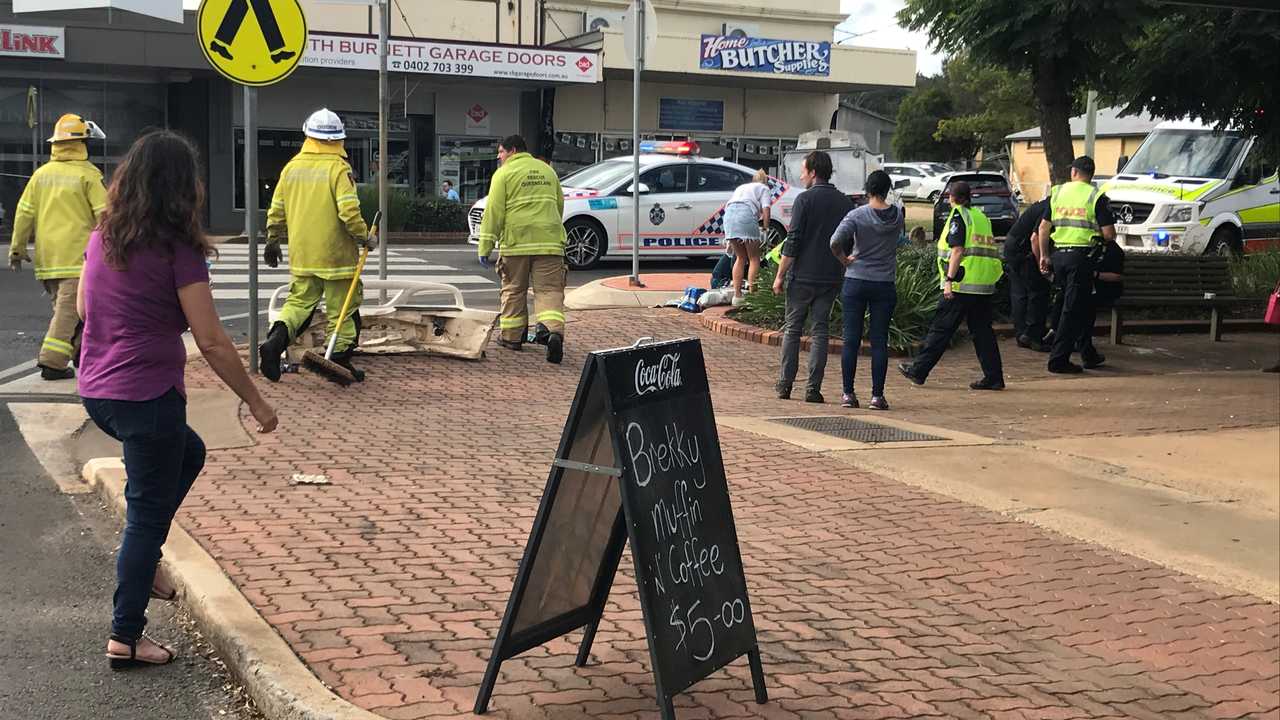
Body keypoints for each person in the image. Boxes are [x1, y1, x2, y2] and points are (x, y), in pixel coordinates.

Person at [77, 130, 277, 668]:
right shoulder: (177, 248)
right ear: (180, 186)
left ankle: (146, 562)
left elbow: (81, 305)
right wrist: (257, 403)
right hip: (147, 395)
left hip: (99, 392)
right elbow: (211, 339)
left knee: (188, 454)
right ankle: (126, 632)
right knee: (145, 515)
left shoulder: (104, 235)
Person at [258, 109, 373, 383]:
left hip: (303, 255)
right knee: (343, 311)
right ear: (338, 140)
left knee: (297, 304)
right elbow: (349, 212)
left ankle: (274, 345)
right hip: (336, 257)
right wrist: (365, 236)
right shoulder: (338, 169)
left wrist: (273, 238)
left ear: (308, 136)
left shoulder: (291, 168)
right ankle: (339, 362)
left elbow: (277, 209)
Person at [8, 113, 108, 380]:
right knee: (70, 313)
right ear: (82, 143)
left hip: (47, 261)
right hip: (79, 261)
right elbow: (106, 216)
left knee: (74, 313)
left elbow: (23, 213)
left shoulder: (41, 175)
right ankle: (52, 362)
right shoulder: (88, 175)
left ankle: (80, 353)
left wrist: (17, 249)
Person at [898, 181, 1005, 390]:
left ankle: (919, 370)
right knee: (983, 332)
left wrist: (948, 280)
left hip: (961, 284)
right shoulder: (980, 217)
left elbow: (957, 250)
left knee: (941, 328)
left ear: (953, 198)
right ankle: (994, 377)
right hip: (982, 284)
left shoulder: (959, 216)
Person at [476, 135, 568, 364]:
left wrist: (485, 246)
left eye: (501, 152)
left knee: (514, 290)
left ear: (513, 150)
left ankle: (512, 338)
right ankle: (552, 332)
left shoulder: (504, 174)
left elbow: (494, 213)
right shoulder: (548, 171)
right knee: (549, 291)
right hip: (549, 242)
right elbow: (558, 205)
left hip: (517, 243)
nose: (499, 157)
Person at [772, 151, 854, 403]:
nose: (801, 175)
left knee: (793, 330)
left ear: (813, 172)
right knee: (820, 332)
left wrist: (779, 275)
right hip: (830, 277)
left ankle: (785, 385)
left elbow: (793, 240)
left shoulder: (804, 200)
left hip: (802, 277)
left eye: (804, 170)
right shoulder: (844, 203)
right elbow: (847, 241)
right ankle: (812, 389)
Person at [830, 169, 903, 410]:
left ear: (868, 189)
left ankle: (848, 394)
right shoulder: (897, 216)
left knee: (851, 339)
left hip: (857, 279)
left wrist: (844, 259)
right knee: (879, 340)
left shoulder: (857, 215)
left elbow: (834, 241)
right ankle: (877, 396)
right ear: (887, 190)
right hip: (884, 281)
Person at [1038, 155, 1116, 373]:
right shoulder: (1096, 196)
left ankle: (1087, 353)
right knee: (1072, 309)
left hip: (1059, 257)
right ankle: (1058, 360)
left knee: (1075, 305)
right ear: (1090, 175)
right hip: (1082, 259)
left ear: (1074, 172)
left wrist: (1044, 256)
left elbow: (1043, 228)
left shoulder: (1058, 192)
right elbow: (1109, 234)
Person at [1004, 196, 1051, 351]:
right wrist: (1041, 264)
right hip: (1024, 250)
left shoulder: (1041, 204)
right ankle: (1034, 337)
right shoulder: (1050, 207)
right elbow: (1035, 239)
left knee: (1020, 294)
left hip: (1013, 247)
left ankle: (1022, 335)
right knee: (1038, 292)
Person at [724, 168, 774, 304]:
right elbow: (766, 210)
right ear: (765, 181)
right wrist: (765, 228)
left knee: (740, 257)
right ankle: (753, 295)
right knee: (754, 258)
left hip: (729, 216)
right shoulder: (764, 189)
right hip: (745, 215)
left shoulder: (742, 187)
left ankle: (737, 296)